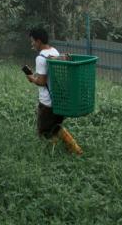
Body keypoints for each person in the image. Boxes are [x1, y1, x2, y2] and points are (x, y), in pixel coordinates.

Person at [25, 27, 83, 155]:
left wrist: (31, 78)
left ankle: (63, 150)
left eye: (32, 41)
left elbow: (42, 82)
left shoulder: (40, 58)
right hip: (59, 99)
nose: (32, 44)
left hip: (47, 103)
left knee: (44, 131)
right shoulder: (54, 52)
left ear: (39, 41)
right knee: (55, 127)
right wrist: (37, 76)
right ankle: (72, 149)